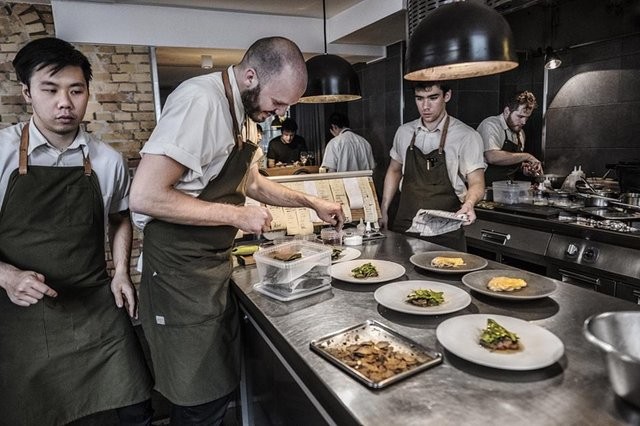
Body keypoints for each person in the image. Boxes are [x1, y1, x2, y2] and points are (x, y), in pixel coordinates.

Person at [129, 36, 344, 425]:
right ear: (249, 76)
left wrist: (313, 202)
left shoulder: (245, 114)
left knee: (214, 392)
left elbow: (255, 184)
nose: (279, 114)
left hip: (209, 268)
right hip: (179, 272)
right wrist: (236, 217)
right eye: (277, 103)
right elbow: (144, 195)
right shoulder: (201, 102)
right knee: (197, 397)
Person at [0, 37, 152, 425]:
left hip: (93, 307)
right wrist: (7, 276)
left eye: (76, 90)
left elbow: (120, 217)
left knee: (134, 406)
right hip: (20, 316)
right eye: (50, 90)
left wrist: (120, 272)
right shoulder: (0, 153)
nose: (64, 102)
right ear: (27, 94)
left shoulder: (106, 160)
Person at [379, 81, 485, 251]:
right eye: (419, 99)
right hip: (405, 226)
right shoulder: (404, 132)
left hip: (446, 231)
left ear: (447, 96)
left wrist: (469, 203)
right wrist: (383, 209)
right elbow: (394, 170)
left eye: (433, 98)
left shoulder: (467, 136)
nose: (425, 106)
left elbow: (477, 182)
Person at [477, 90, 543, 185]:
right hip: (484, 187)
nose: (524, 122)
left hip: (505, 189)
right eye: (520, 116)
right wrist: (528, 156)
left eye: (527, 118)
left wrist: (525, 169)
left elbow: (510, 162)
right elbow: (492, 157)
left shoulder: (520, 133)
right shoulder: (491, 125)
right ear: (507, 111)